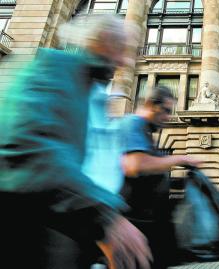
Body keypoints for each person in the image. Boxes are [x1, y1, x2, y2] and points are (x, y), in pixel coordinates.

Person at [0, 15, 151, 269]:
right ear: (99, 42)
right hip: (34, 241)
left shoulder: (91, 91)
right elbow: (29, 148)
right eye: (121, 49)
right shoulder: (53, 67)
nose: (126, 61)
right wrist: (104, 217)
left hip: (75, 237)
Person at [120, 86, 201, 269]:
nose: (167, 117)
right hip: (133, 229)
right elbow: (136, 165)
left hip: (148, 231)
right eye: (165, 110)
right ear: (150, 104)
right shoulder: (132, 123)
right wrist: (180, 158)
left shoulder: (146, 134)